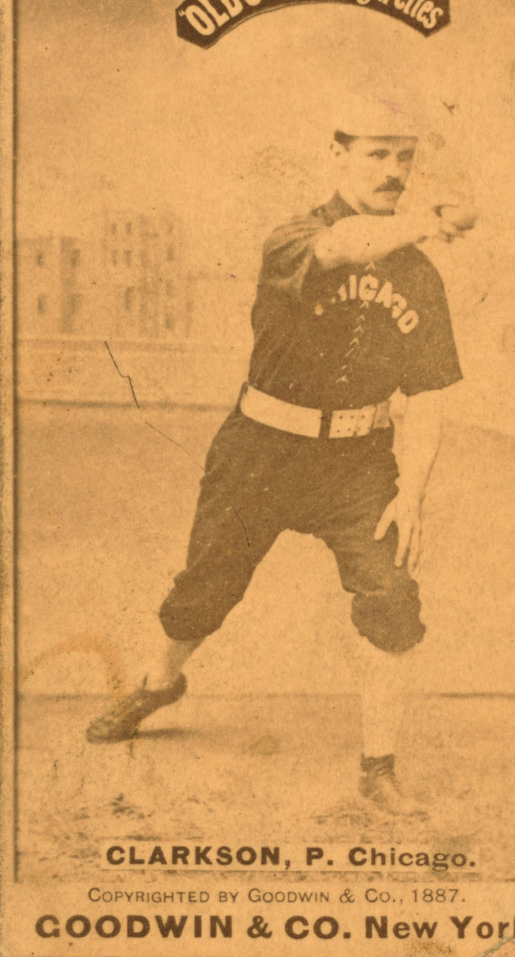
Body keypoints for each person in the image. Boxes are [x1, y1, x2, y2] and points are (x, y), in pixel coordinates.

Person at [86, 95, 474, 816]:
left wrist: (412, 489)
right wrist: (433, 217)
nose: (392, 171)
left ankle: (377, 766)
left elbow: (425, 395)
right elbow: (343, 248)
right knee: (206, 585)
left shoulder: (421, 275)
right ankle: (158, 682)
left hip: (360, 463)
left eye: (404, 158)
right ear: (338, 155)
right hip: (262, 449)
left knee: (390, 593)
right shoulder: (295, 235)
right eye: (375, 154)